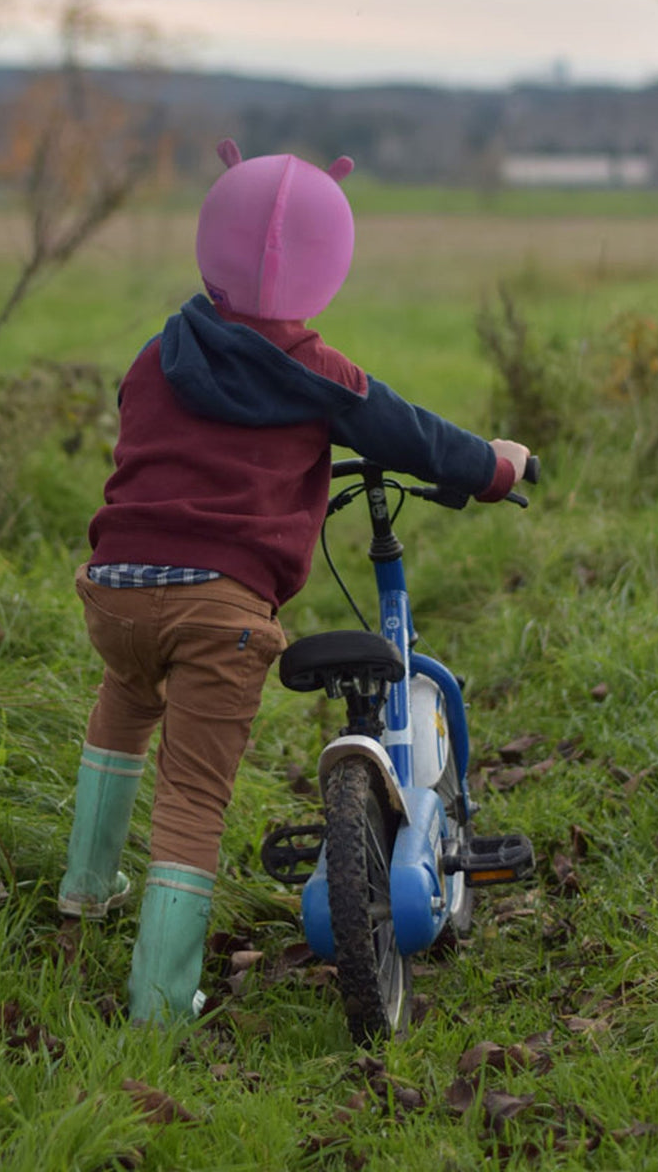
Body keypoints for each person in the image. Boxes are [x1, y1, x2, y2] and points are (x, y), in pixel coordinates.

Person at [57, 138, 531, 1023]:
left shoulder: (160, 356)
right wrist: (494, 468)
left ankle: (86, 888)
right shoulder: (320, 377)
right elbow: (416, 437)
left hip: (116, 588)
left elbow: (137, 431)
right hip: (219, 612)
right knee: (193, 798)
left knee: (124, 704)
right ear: (326, 267)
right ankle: (160, 1002)